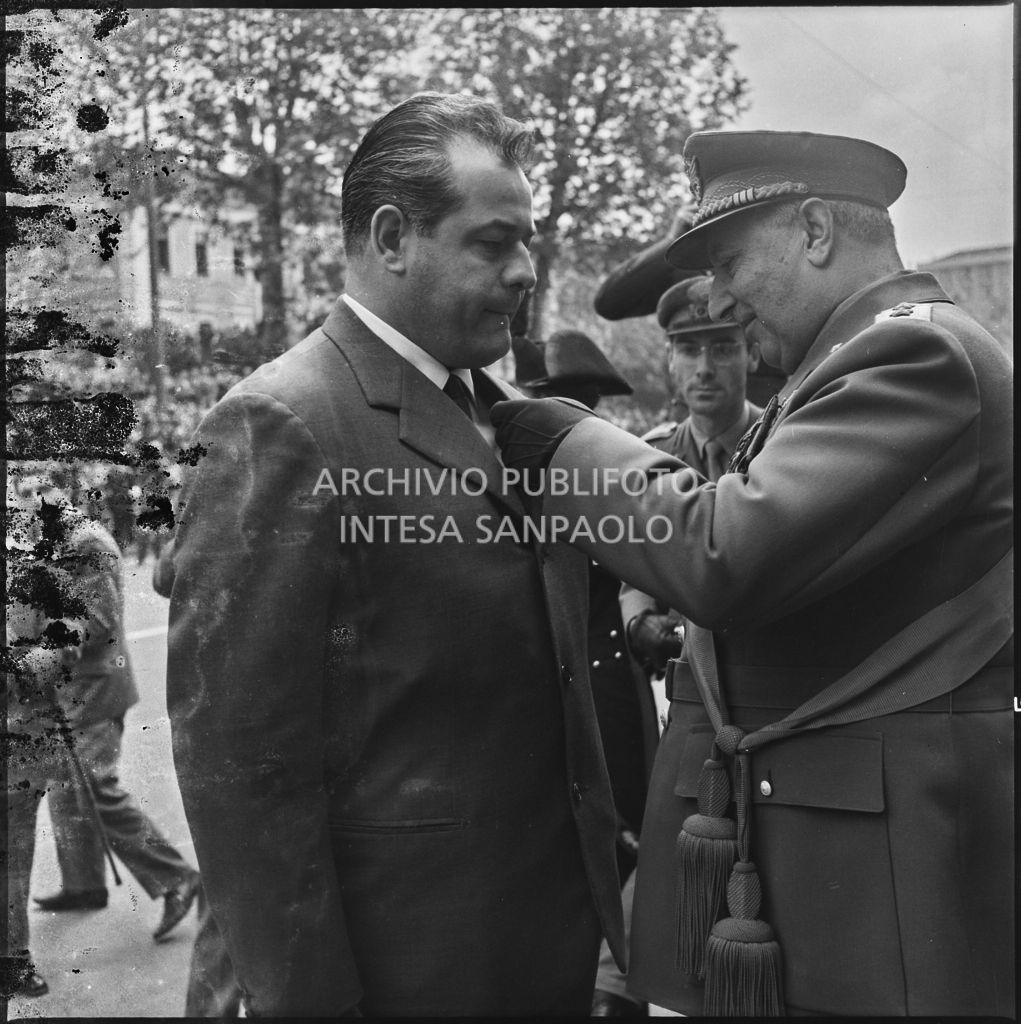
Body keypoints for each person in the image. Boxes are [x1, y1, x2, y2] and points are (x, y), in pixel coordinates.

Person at [490, 129, 1014, 1016]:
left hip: (878, 865)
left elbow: (723, 552)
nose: (720, 299)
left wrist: (566, 439)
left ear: (814, 230)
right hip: (837, 839)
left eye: (729, 263)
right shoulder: (837, 366)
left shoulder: (912, 355)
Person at [165, 91, 624, 1018]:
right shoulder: (282, 422)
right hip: (405, 975)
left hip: (543, 953)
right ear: (389, 238)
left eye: (527, 242)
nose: (525, 271)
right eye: (492, 242)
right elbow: (246, 780)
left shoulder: (508, 414)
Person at [5, 481, 201, 1000]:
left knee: (95, 789)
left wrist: (38, 657)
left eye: (23, 496)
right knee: (69, 792)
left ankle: (178, 878)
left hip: (92, 690)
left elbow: (95, 621)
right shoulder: (50, 539)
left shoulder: (86, 542)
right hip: (71, 690)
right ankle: (85, 884)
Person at [621, 275, 763, 686]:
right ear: (670, 360)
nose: (703, 370)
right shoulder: (652, 456)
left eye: (723, 349)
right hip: (681, 676)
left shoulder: (781, 442)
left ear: (752, 355)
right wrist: (639, 622)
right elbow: (635, 565)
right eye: (687, 350)